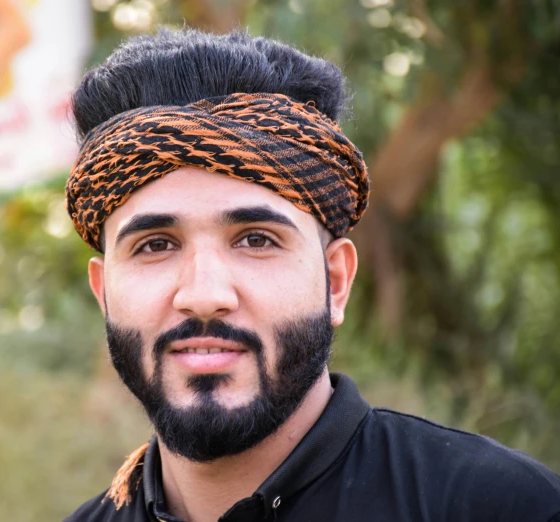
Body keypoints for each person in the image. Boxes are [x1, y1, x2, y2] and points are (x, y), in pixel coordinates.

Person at [63, 28, 560, 522]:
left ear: (336, 281)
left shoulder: (504, 505)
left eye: (256, 240)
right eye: (155, 246)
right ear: (104, 292)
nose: (204, 295)